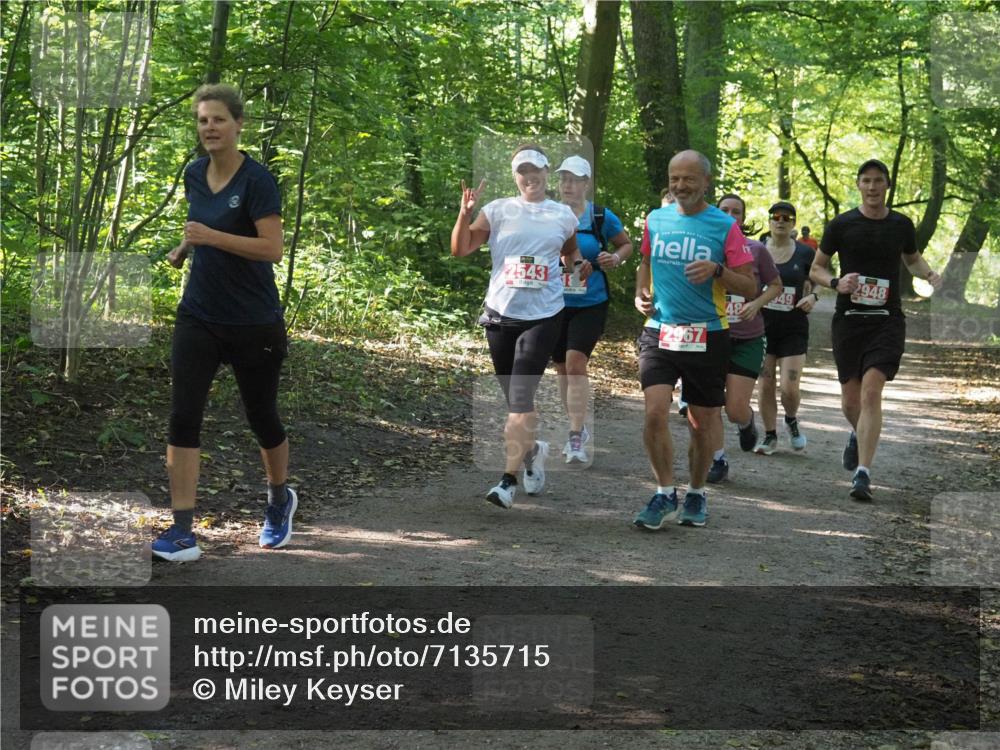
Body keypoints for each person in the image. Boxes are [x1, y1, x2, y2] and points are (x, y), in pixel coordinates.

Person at [154, 84, 295, 562]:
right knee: (183, 414)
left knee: (261, 417)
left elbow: (271, 248)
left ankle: (278, 499)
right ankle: (181, 531)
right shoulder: (195, 173)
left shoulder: (258, 180)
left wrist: (211, 237)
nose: (208, 128)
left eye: (217, 120)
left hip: (254, 320)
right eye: (201, 121)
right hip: (199, 313)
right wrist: (185, 247)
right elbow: (201, 226)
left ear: (238, 125)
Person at [451, 144, 590, 508]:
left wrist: (579, 269)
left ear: (547, 173)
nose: (530, 177)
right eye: (522, 171)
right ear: (515, 176)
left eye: (536, 170)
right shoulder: (497, 210)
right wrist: (464, 214)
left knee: (521, 400)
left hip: (543, 315)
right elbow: (461, 249)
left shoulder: (562, 215)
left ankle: (507, 481)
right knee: (514, 402)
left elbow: (571, 255)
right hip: (500, 314)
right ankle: (532, 453)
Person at [632, 150, 756, 530]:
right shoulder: (656, 219)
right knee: (654, 411)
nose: (680, 185)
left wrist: (718, 270)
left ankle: (697, 492)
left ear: (705, 183)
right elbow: (645, 263)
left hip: (707, 333)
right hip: (660, 330)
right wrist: (641, 293)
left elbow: (750, 285)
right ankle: (664, 491)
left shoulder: (724, 227)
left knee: (702, 421)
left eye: (688, 179)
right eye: (675, 178)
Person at [810, 158, 942, 501]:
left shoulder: (901, 224)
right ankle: (858, 433)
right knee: (850, 401)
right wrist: (836, 282)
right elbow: (817, 269)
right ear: (858, 185)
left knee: (872, 392)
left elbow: (912, 259)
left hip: (887, 319)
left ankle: (863, 474)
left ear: (887, 186)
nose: (872, 187)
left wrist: (929, 275)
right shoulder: (841, 224)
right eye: (866, 180)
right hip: (850, 321)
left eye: (878, 181)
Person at [552, 155, 633, 463]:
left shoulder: (599, 215)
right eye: (563, 179)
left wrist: (615, 258)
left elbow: (625, 244)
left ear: (586, 183)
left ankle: (575, 436)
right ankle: (577, 425)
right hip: (554, 303)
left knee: (575, 364)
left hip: (591, 302)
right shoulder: (550, 214)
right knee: (561, 369)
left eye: (574, 179)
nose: (567, 185)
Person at [706, 194, 783, 483]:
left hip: (747, 338)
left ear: (743, 218)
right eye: (724, 210)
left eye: (736, 211)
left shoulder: (756, 250)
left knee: (734, 408)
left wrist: (757, 303)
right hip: (712, 334)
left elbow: (776, 285)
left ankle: (747, 422)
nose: (730, 215)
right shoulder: (706, 246)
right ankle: (718, 459)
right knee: (711, 403)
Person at [754, 201, 817, 455]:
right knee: (765, 383)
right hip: (762, 326)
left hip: (793, 326)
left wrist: (814, 297)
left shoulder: (805, 253)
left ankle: (791, 419)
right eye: (776, 217)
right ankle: (770, 436)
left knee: (790, 387)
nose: (780, 221)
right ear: (769, 221)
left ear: (793, 224)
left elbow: (819, 278)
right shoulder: (757, 250)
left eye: (787, 218)